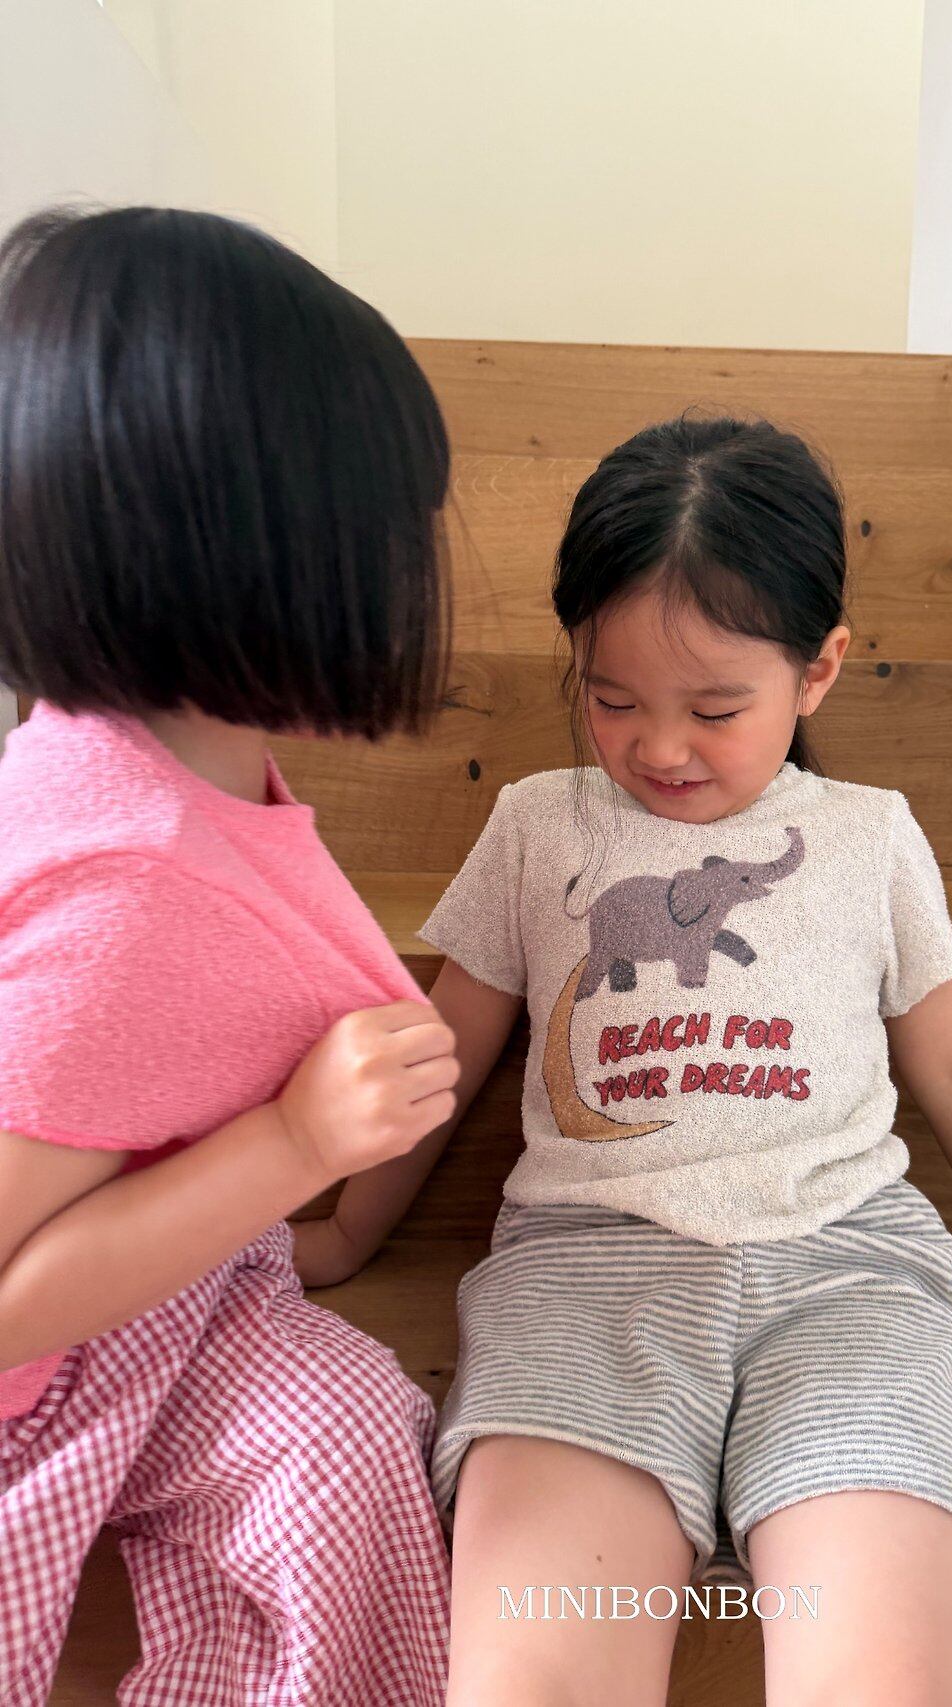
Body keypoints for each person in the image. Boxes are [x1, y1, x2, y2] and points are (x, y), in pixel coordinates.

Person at [300, 415, 952, 1706]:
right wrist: (348, 1232)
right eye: (611, 699)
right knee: (534, 1675)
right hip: (585, 1276)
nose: (659, 748)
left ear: (820, 670)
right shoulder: (536, 825)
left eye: (716, 709)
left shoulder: (869, 836)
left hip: (847, 1278)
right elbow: (447, 1046)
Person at [0, 205, 461, 1705]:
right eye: (388, 526)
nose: (412, 568)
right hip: (49, 1370)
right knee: (343, 1454)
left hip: (178, 1285)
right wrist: (293, 1145)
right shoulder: (127, 888)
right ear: (251, 547)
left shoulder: (164, 767)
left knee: (351, 1426)